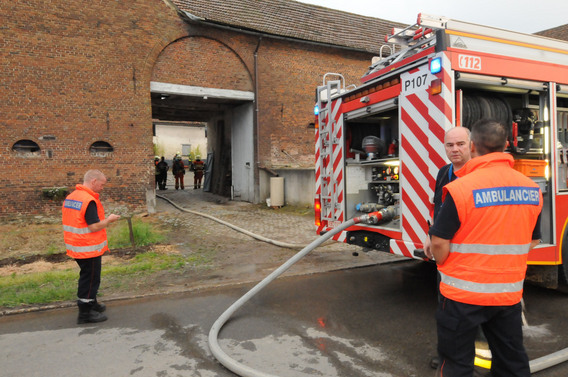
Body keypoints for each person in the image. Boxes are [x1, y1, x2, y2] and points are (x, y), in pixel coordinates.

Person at [429, 119, 542, 377]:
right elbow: (533, 240)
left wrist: (444, 264)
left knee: (457, 363)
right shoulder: (532, 189)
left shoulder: (460, 188)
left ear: (472, 146)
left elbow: (439, 241)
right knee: (511, 360)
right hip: (507, 294)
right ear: (506, 145)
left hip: (462, 295)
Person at [62, 170, 120, 324]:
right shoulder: (89, 200)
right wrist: (109, 220)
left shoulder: (72, 197)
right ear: (94, 181)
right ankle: (85, 313)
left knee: (88, 276)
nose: (102, 188)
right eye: (102, 184)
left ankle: (91, 303)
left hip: (76, 245)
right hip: (88, 248)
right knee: (90, 280)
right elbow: (94, 226)